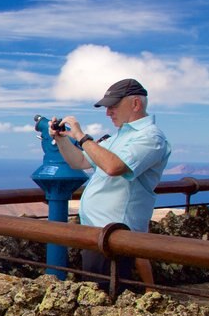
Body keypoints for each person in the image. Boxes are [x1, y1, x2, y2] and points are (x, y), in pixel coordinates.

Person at [50, 78, 171, 290]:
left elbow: (114, 167)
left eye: (113, 106)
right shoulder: (118, 137)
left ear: (135, 104)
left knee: (108, 301)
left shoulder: (150, 137)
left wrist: (82, 137)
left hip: (116, 237)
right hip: (97, 234)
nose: (108, 113)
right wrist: (62, 140)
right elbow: (80, 161)